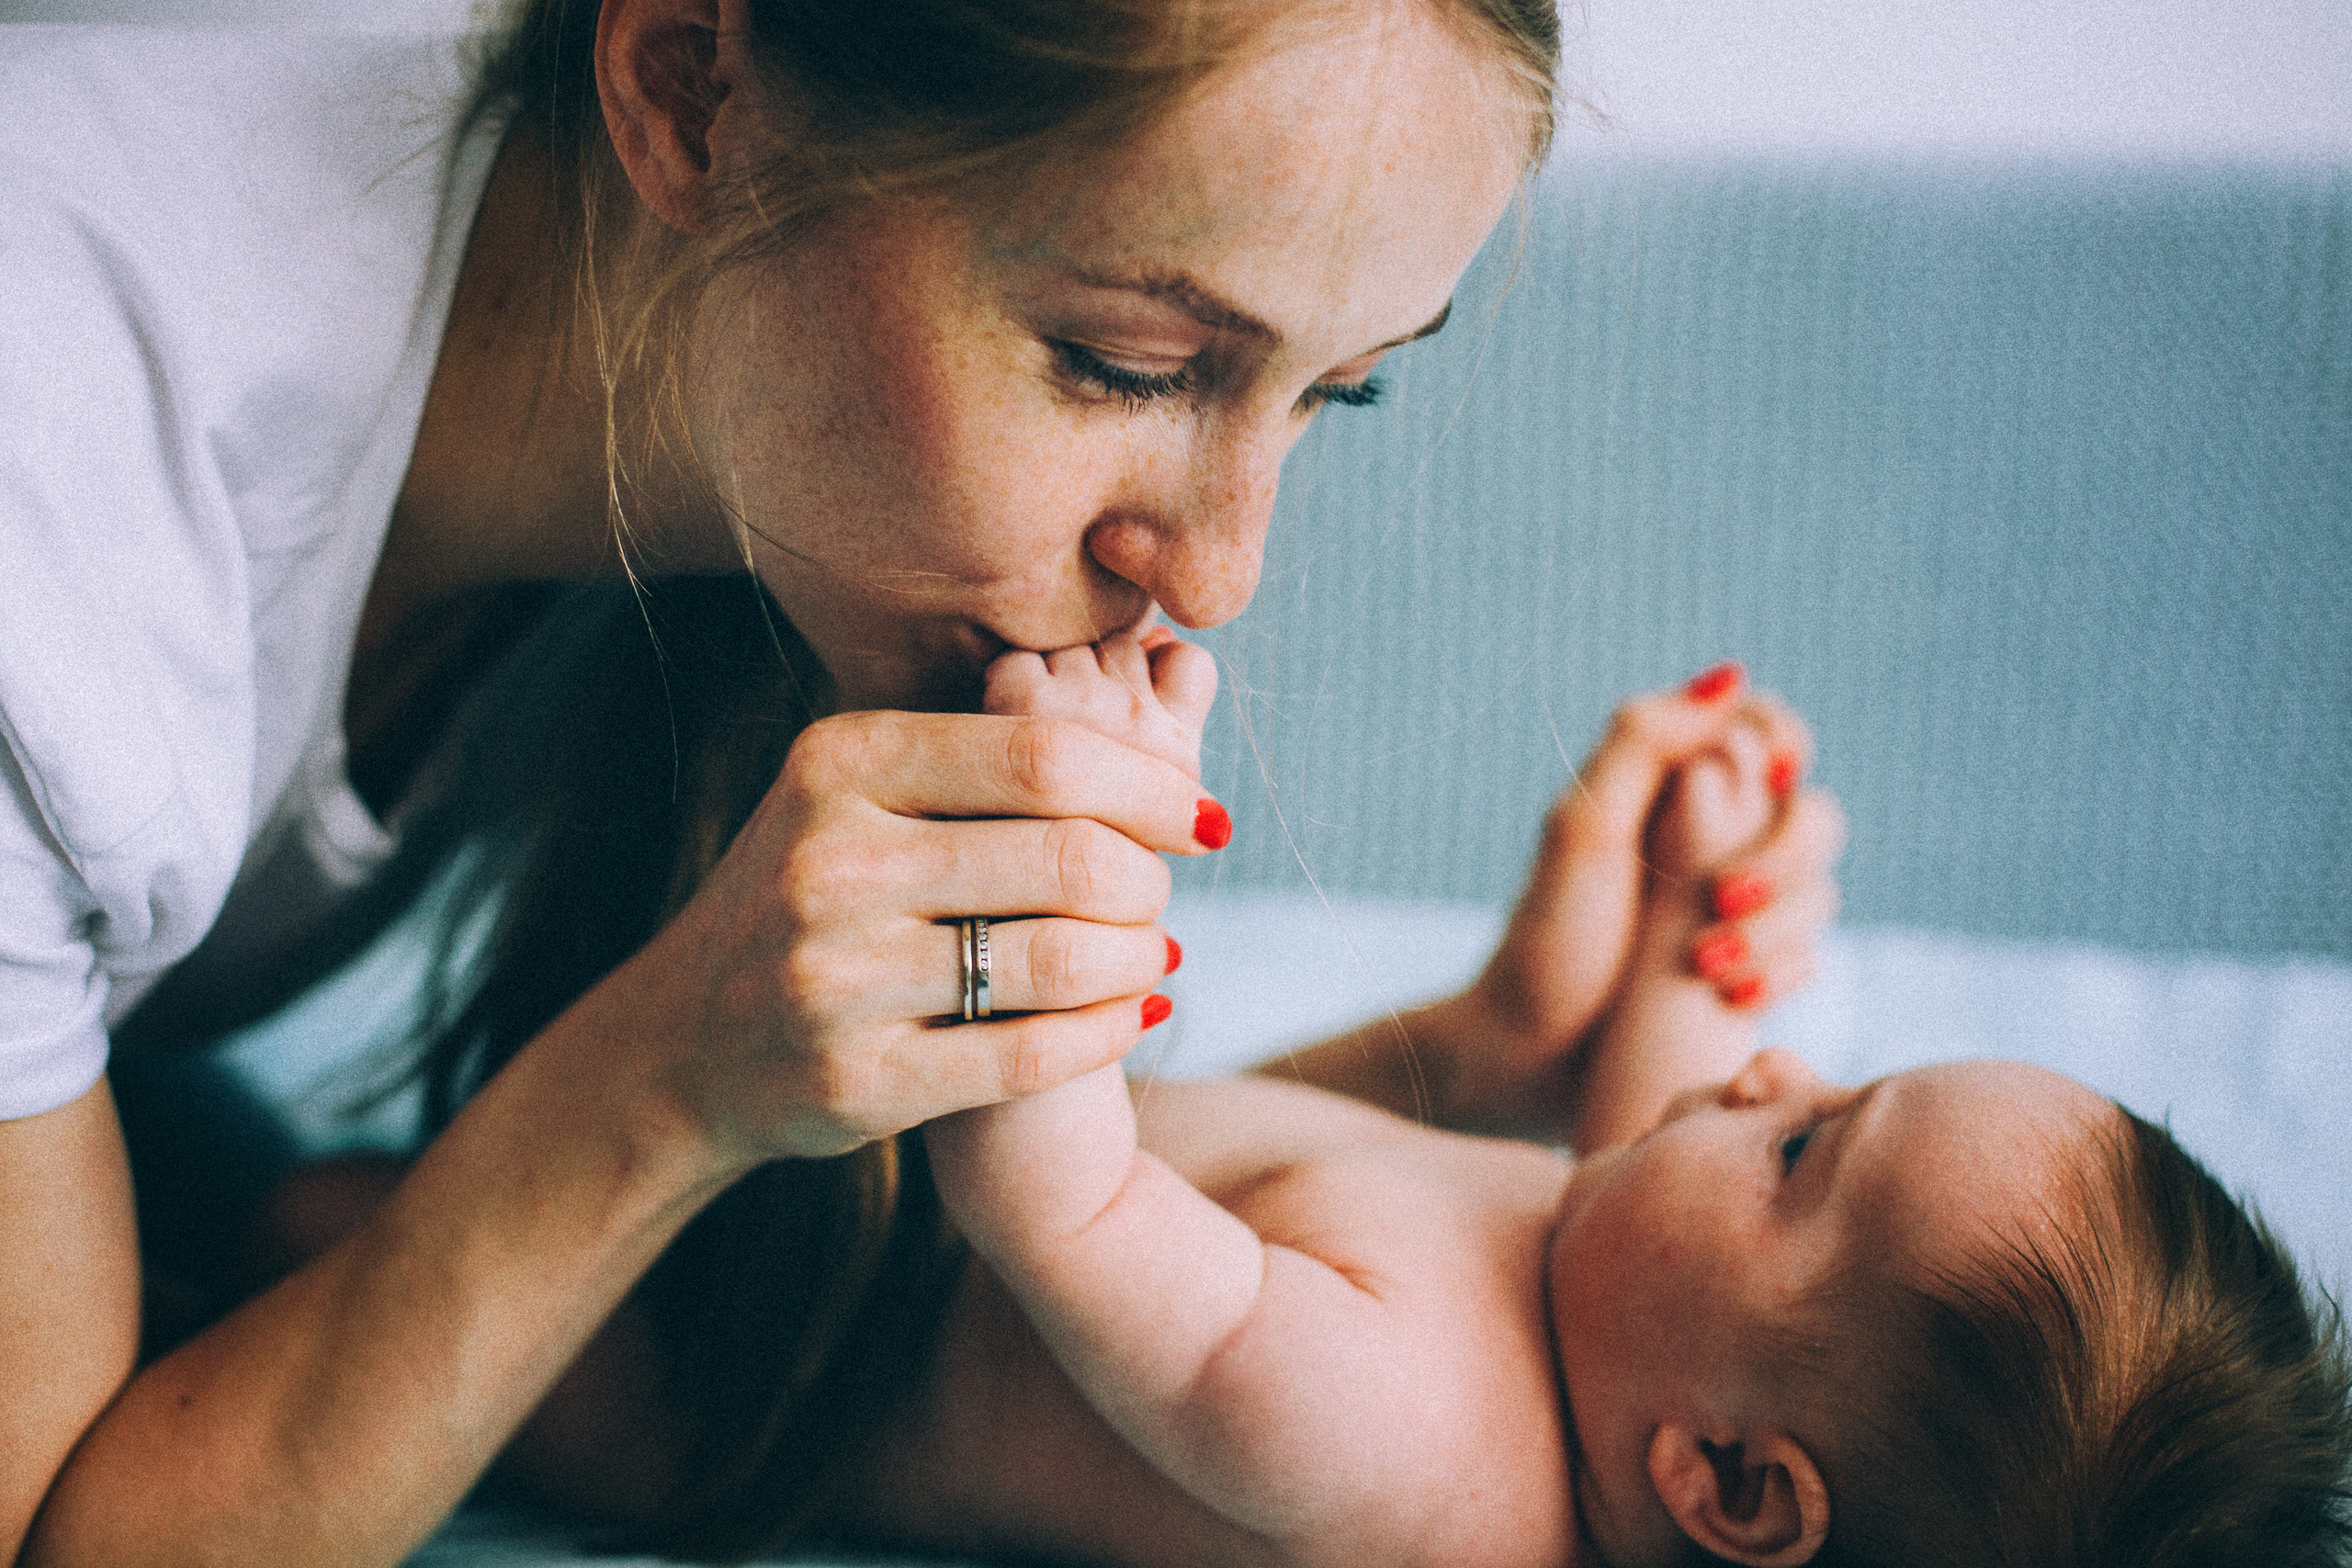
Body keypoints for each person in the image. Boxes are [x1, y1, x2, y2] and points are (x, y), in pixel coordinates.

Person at [0, 0, 1851, 1562]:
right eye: (1123, 362)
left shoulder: (748, 452)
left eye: (1333, 391)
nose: (1213, 574)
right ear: (688, 96)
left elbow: (968, 1319)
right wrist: (655, 1079)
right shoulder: (50, 473)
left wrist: (1450, 1063)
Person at [843, 632, 2352, 1568]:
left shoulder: (1403, 1432)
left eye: (1809, 1145)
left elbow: (1048, 1194)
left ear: (1734, 1485)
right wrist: (1708, 870)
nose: (1776, 1071)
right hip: (825, 1172)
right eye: (1842, 1076)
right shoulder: (1643, 1318)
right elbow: (1693, 1067)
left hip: (739, 1352)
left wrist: (1073, 821)